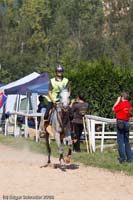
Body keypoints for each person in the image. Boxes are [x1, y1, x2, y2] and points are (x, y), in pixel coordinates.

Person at [112, 91, 133, 163]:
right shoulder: (129, 105)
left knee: (120, 141)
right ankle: (130, 158)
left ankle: (122, 158)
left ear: (122, 97)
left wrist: (117, 101)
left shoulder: (121, 104)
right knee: (126, 141)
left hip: (121, 122)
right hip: (127, 122)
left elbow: (113, 109)